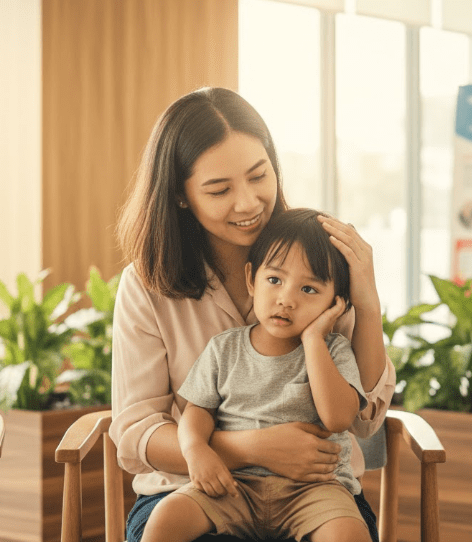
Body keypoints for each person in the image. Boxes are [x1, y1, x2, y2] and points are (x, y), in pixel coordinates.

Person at [111, 87, 396, 542]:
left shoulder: (320, 262)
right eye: (219, 189)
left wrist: (367, 302)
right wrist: (249, 448)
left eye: (259, 176)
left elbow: (362, 420)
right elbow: (134, 433)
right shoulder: (147, 284)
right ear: (181, 196)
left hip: (316, 492)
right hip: (193, 488)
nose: (248, 203)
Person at [142, 209, 372, 542]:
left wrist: (313, 341)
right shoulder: (225, 348)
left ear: (335, 303)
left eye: (308, 289)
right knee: (167, 516)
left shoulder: (334, 350)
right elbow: (197, 412)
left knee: (348, 533)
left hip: (313, 491)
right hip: (235, 484)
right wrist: (196, 451)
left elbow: (337, 418)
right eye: (275, 280)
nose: (286, 299)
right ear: (252, 279)